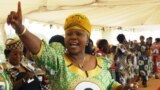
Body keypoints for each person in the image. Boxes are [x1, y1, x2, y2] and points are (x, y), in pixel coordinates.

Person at [6, 2, 138, 90]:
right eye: (69, 34)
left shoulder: (101, 63)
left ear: (87, 39)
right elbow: (40, 49)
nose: (73, 37)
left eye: (79, 34)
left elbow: (109, 84)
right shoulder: (58, 63)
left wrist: (122, 88)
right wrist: (20, 28)